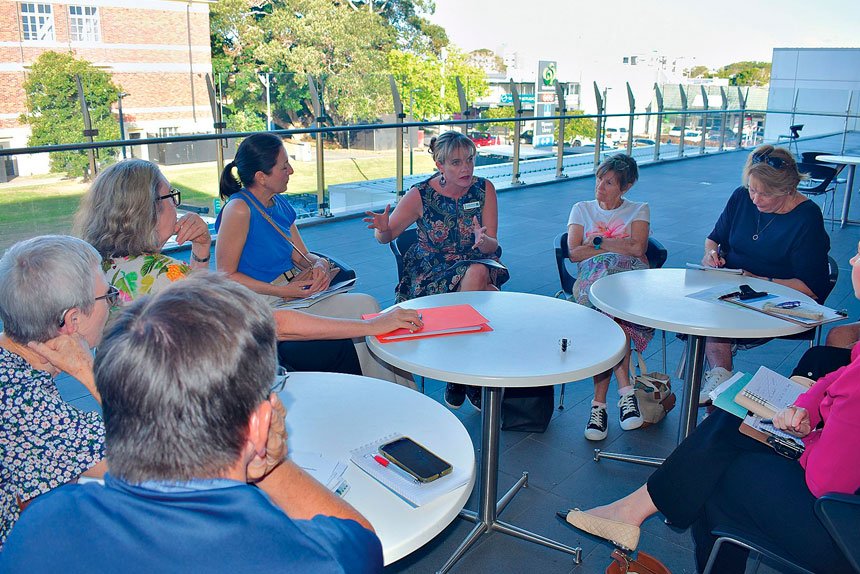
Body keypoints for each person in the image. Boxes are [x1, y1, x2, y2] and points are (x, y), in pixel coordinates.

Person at [0, 274, 383, 573]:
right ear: (259, 422)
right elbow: (363, 541)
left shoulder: (36, 531)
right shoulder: (309, 558)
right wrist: (269, 457)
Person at [556, 242, 860, 574]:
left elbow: (825, 480)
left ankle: (632, 511)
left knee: (716, 470)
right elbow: (839, 374)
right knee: (728, 432)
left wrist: (804, 438)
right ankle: (633, 510)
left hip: (839, 527)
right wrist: (806, 408)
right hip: (837, 495)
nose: (852, 259)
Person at [77, 158, 421, 382]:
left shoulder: (101, 267)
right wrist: (375, 324)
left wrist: (200, 252)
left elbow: (187, 308)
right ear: (148, 209)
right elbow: (273, 325)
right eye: (171, 197)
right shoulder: (162, 272)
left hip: (156, 390)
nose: (176, 205)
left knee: (360, 323)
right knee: (363, 325)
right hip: (212, 392)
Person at [214, 135, 415, 384]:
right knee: (365, 319)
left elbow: (302, 255)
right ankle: (376, 392)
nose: (291, 170)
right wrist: (283, 289)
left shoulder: (279, 203)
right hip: (266, 302)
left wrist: (318, 265)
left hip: (295, 292)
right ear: (261, 176)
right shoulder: (239, 209)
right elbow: (226, 276)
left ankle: (393, 392)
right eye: (284, 166)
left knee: (367, 305)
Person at [364, 130, 509, 410]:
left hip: (477, 261)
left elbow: (493, 244)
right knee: (487, 291)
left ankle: (458, 373)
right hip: (431, 269)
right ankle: (465, 373)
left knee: (479, 272)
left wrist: (484, 241)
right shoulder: (421, 194)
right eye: (456, 162)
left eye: (469, 159)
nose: (466, 168)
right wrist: (382, 230)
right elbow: (388, 235)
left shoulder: (484, 189)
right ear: (439, 165)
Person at [0, 235, 112, 548]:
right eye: (107, 296)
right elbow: (152, 459)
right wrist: (87, 372)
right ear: (72, 320)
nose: (113, 302)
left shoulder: (11, 363)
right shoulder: (25, 405)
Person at [699, 145, 831, 401]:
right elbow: (713, 239)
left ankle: (720, 385)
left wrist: (758, 281)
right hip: (733, 285)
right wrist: (711, 254)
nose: (755, 199)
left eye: (764, 193)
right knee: (705, 311)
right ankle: (721, 377)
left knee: (714, 317)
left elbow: (812, 287)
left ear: (788, 190)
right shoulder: (741, 197)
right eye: (752, 189)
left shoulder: (807, 217)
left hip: (780, 296)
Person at [566, 154, 651, 440]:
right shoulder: (581, 209)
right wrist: (617, 246)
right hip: (593, 282)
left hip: (629, 280)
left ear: (625, 188)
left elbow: (638, 250)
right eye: (599, 179)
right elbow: (574, 253)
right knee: (610, 316)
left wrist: (598, 242)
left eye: (610, 182)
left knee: (605, 316)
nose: (600, 187)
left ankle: (598, 407)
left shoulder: (639, 209)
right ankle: (625, 392)